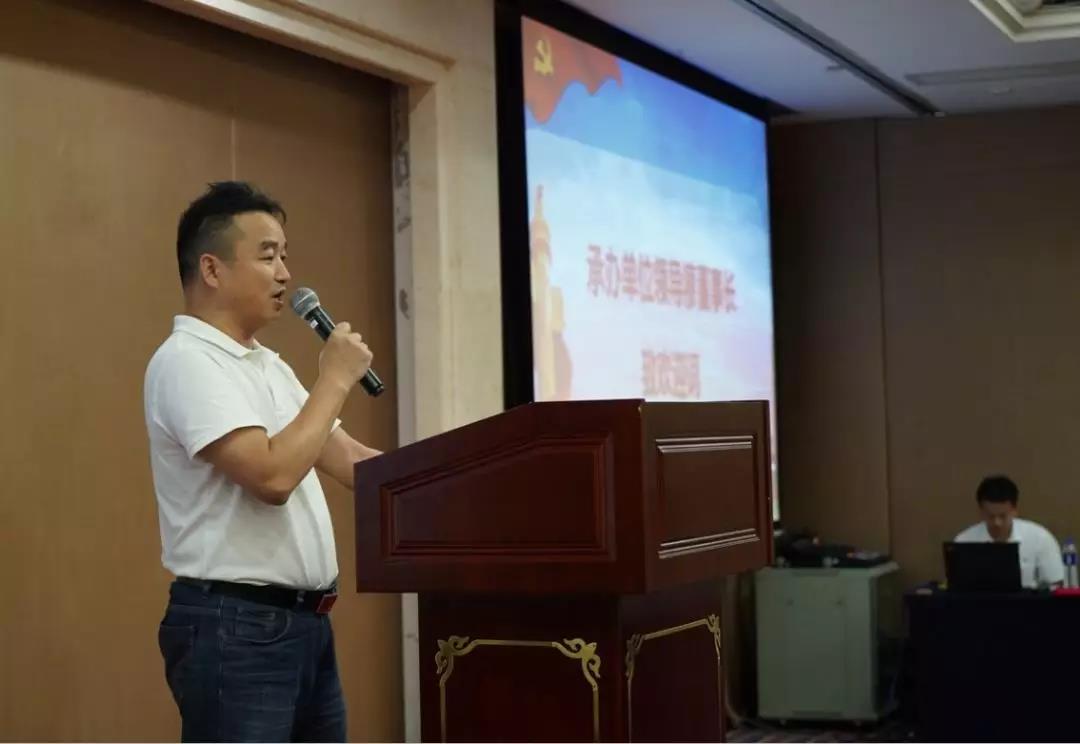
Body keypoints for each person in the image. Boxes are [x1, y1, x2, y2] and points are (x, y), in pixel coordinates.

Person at [143, 181, 381, 741]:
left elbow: (351, 462)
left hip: (306, 626)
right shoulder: (187, 362)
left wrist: (455, 479)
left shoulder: (267, 365)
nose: (285, 275)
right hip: (237, 628)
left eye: (284, 257)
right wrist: (335, 379)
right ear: (212, 268)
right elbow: (273, 477)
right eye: (268, 256)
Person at [954, 475, 1065, 589]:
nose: (997, 522)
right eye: (991, 516)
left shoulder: (1040, 538)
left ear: (1014, 510)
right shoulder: (963, 541)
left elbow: (1056, 583)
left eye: (1003, 516)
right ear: (980, 511)